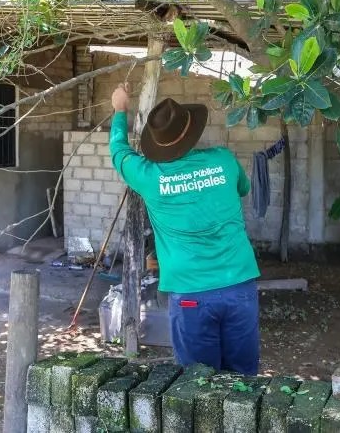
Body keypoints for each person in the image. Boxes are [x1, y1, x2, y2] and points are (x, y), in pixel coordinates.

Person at [109, 85, 261, 375]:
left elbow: (118, 151)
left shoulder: (149, 176)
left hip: (190, 293)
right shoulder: (223, 159)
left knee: (196, 382)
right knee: (244, 381)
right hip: (238, 285)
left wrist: (119, 110)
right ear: (192, 133)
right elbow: (243, 187)